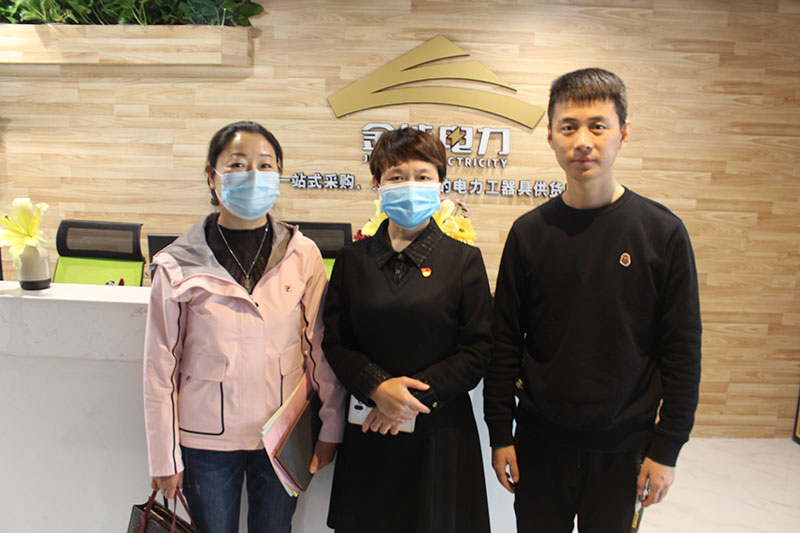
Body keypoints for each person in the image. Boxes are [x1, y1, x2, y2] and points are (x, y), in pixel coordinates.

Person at [484, 68, 702, 532]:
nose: (583, 141)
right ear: (550, 137)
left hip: (625, 447)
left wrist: (667, 448)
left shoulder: (662, 233)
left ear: (624, 133)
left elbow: (682, 351)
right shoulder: (529, 234)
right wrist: (500, 433)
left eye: (598, 126)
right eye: (569, 127)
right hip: (540, 443)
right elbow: (504, 344)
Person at [143, 120, 346, 533]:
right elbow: (159, 367)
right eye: (237, 164)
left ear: (279, 176)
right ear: (212, 177)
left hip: (282, 433)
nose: (253, 175)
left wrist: (331, 426)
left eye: (265, 165)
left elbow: (320, 348)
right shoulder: (178, 262)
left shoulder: (301, 253)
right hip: (206, 441)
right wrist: (164, 458)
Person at [322, 127, 492, 533]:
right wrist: (378, 388)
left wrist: (406, 401)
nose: (410, 185)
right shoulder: (352, 260)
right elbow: (336, 341)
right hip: (370, 427)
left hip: (440, 435)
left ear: (441, 184)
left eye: (423, 175)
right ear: (377, 184)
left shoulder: (464, 260)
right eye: (397, 176)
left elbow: (478, 350)